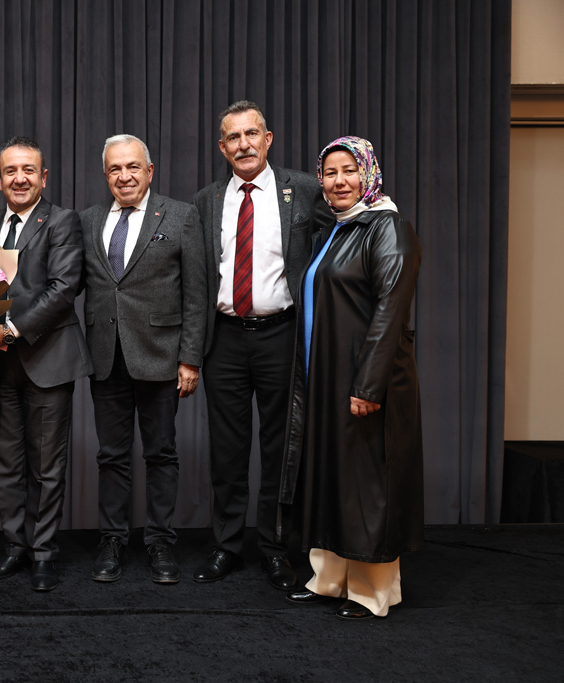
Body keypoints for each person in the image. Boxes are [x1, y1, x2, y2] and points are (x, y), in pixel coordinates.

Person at [280, 135, 423, 620]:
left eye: (349, 170)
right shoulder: (337, 231)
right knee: (333, 479)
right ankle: (329, 579)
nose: (339, 181)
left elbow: (390, 312)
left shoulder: (388, 227)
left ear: (369, 173)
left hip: (366, 382)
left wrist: (367, 385)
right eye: (330, 173)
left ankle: (370, 591)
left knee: (366, 483)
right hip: (327, 380)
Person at [192, 101, 327, 590]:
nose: (244, 144)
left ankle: (275, 549)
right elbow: (199, 281)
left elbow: (344, 234)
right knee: (227, 452)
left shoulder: (304, 190)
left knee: (280, 448)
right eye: (234, 137)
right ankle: (227, 546)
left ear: (267, 139)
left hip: (282, 335)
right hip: (225, 338)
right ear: (222, 147)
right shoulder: (207, 200)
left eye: (252, 134)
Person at [0, 137, 92, 592]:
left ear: (43, 177)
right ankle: (15, 547)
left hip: (47, 357)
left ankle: (44, 554)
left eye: (28, 170)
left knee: (47, 466)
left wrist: (10, 331)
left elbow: (63, 287)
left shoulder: (63, 221)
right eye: (11, 171)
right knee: (7, 462)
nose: (20, 179)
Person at [80, 134, 206, 584]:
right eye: (115, 168)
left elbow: (196, 294)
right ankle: (112, 540)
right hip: (106, 357)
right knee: (111, 455)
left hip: (161, 357)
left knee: (161, 453)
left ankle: (160, 542)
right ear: (105, 175)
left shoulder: (181, 215)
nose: (124, 176)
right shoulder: (88, 220)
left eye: (133, 166)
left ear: (150, 171)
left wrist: (190, 359)